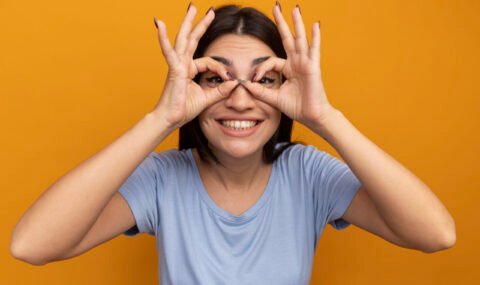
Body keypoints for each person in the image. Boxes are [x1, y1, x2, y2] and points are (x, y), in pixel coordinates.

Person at [10, 2, 456, 284]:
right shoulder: (164, 179)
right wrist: (160, 118)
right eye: (214, 78)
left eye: (265, 80)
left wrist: (325, 118)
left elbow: (436, 234)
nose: (241, 100)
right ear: (192, 88)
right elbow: (31, 246)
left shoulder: (308, 173)